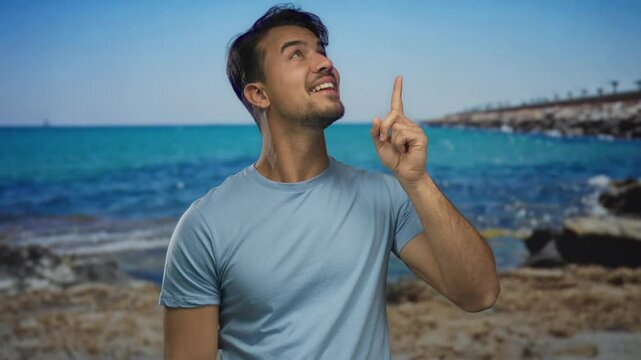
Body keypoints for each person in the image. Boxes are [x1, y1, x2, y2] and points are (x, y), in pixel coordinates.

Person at [159, 4, 500, 359]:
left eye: (322, 52)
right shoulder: (204, 226)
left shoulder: (384, 197)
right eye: (296, 54)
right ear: (259, 94)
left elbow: (479, 294)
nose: (325, 63)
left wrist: (416, 180)